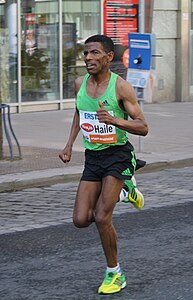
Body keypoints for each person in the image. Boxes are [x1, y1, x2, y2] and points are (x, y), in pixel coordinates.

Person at [59, 34, 148, 295]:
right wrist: (68, 145)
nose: (88, 58)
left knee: (101, 216)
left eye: (95, 53)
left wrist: (115, 121)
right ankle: (126, 189)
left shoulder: (120, 88)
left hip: (118, 154)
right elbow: (79, 112)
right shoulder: (79, 84)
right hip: (93, 157)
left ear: (109, 57)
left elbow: (143, 126)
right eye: (86, 53)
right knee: (80, 219)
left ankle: (115, 273)